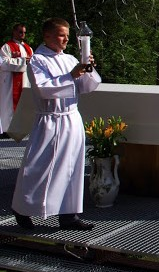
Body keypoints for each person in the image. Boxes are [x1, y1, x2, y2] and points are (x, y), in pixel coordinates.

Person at [11, 17, 101, 231]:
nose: (65, 40)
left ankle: (69, 216)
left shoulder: (70, 58)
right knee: (39, 167)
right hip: (49, 119)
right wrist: (71, 75)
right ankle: (22, 208)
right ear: (47, 35)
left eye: (68, 37)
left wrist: (87, 69)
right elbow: (43, 89)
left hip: (71, 118)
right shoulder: (38, 60)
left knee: (72, 167)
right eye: (61, 35)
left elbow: (86, 87)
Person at [0, 23, 33, 135]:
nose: (22, 34)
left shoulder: (28, 48)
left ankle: (23, 129)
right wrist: (23, 61)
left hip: (25, 81)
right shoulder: (6, 47)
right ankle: (8, 130)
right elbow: (3, 63)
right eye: (20, 32)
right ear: (14, 32)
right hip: (10, 82)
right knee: (9, 106)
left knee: (24, 104)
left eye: (24, 32)